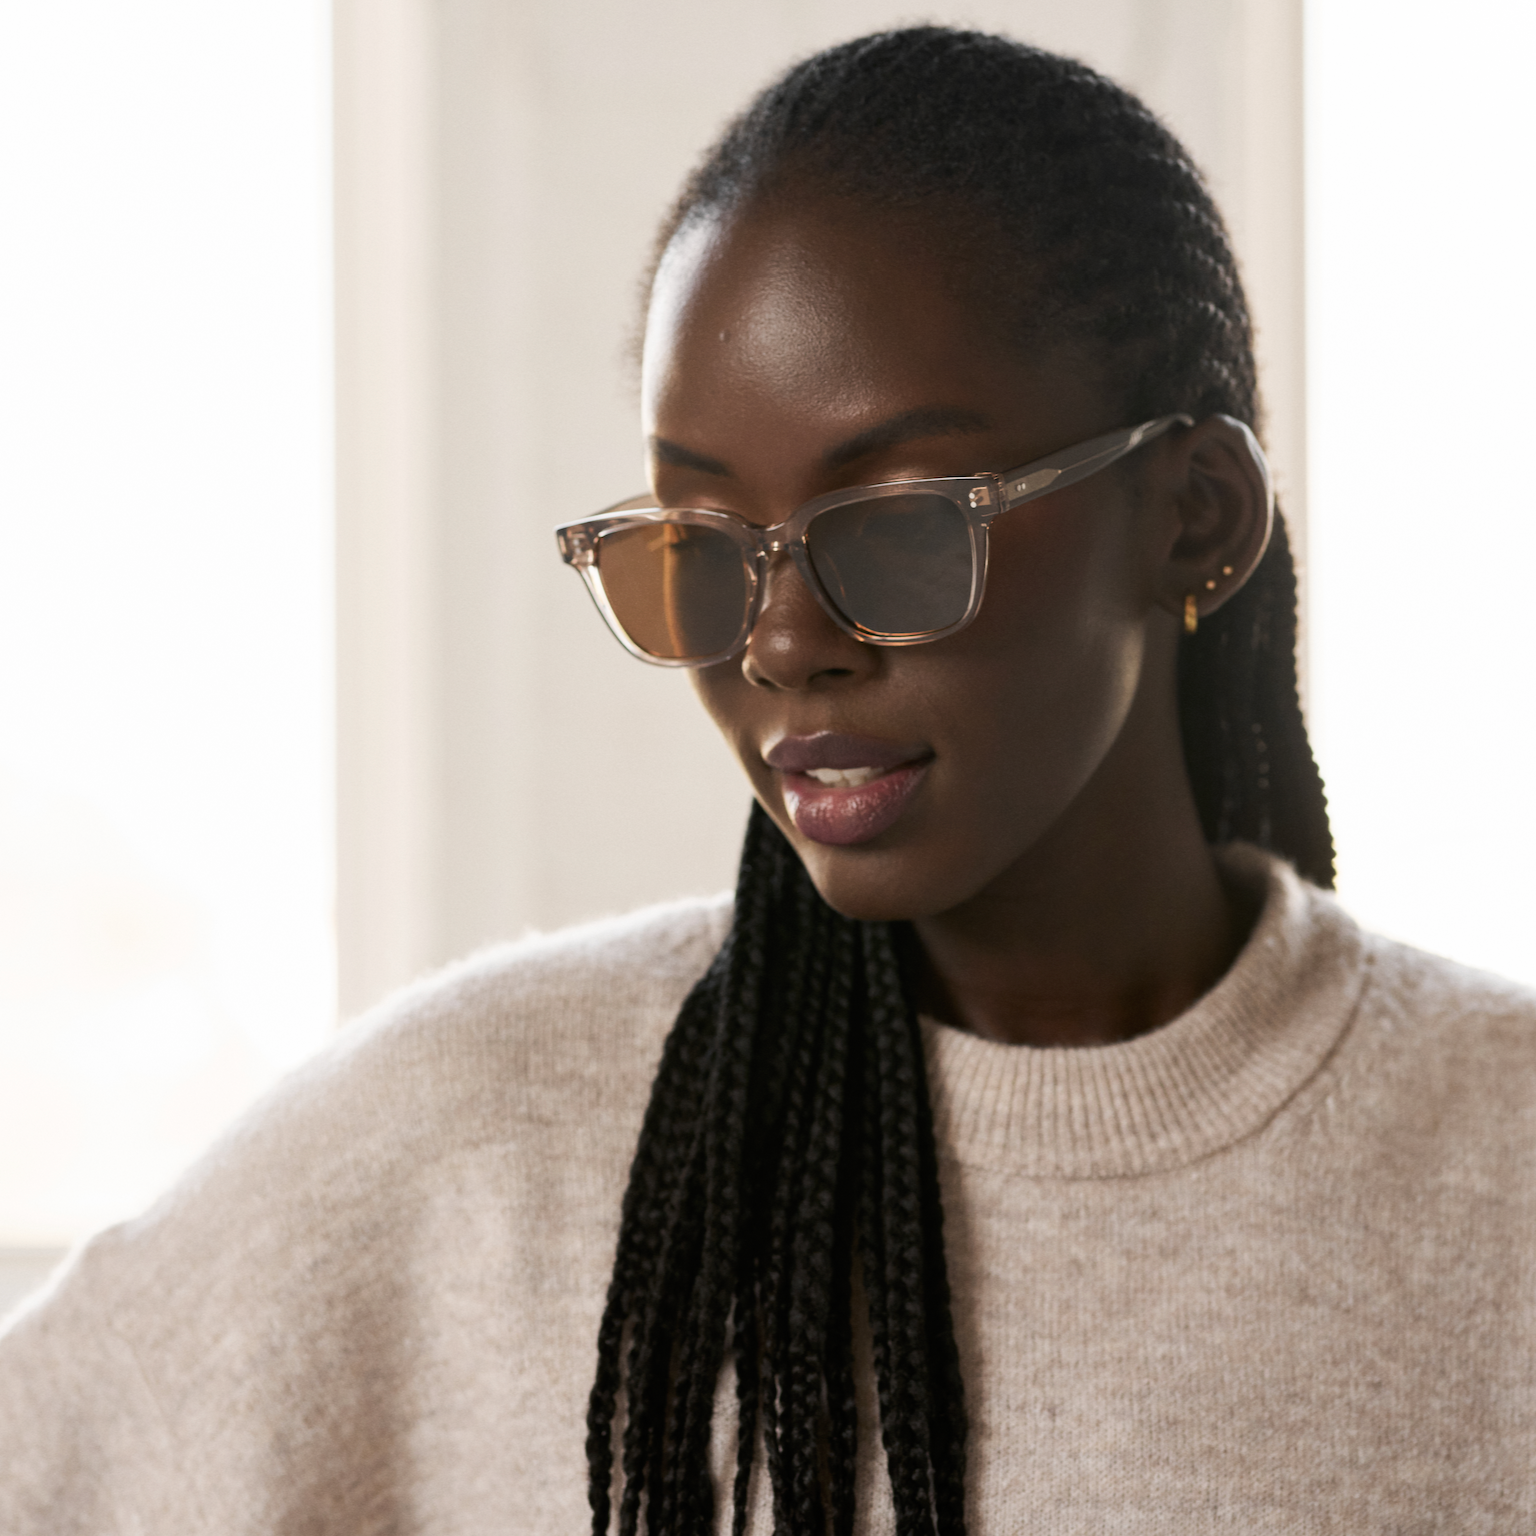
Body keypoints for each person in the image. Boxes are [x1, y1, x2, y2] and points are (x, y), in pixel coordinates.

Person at [2, 25, 1533, 1534]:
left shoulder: (1499, 1163)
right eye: (702, 548)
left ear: (1195, 517)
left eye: (904, 527)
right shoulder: (474, 1148)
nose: (787, 644)